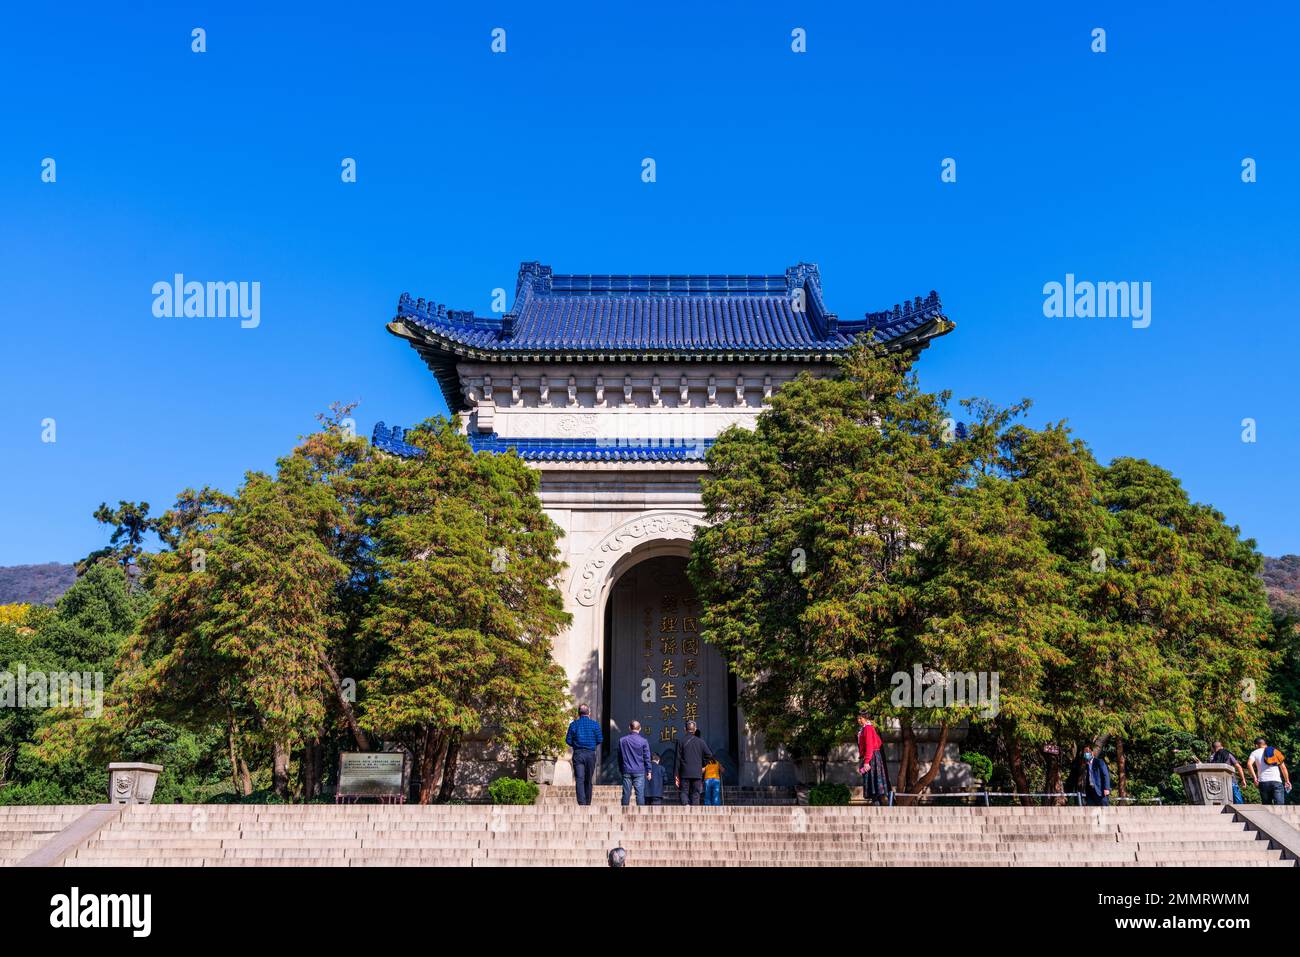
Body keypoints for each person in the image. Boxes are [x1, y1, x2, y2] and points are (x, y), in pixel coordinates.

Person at [565, 704, 603, 806]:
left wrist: (576, 745)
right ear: (589, 713)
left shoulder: (573, 725)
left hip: (578, 754)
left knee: (579, 779)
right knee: (588, 779)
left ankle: (581, 803)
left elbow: (568, 740)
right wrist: (591, 744)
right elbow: (600, 739)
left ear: (578, 713)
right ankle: (588, 802)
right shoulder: (595, 725)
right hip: (590, 754)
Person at [675, 720, 715, 806]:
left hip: (685, 772)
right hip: (697, 772)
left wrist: (676, 774)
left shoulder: (680, 741)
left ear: (685, 729)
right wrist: (702, 764)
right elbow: (709, 755)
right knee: (696, 793)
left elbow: (677, 759)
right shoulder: (701, 742)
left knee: (684, 791)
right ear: (695, 729)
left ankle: (686, 805)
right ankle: (695, 809)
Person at [856, 714, 890, 806]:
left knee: (874, 782)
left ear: (865, 718)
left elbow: (869, 745)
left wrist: (867, 761)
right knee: (873, 783)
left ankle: (877, 804)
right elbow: (878, 742)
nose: (859, 720)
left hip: (872, 757)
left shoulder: (868, 728)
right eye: (858, 718)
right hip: (871, 756)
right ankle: (877, 803)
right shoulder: (865, 728)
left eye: (860, 718)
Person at [618, 720, 653, 806]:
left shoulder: (622, 740)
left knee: (626, 794)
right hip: (639, 770)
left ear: (629, 728)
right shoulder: (643, 741)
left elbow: (619, 757)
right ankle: (640, 812)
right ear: (640, 729)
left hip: (626, 770)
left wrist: (621, 769)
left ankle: (624, 811)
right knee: (640, 795)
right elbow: (647, 757)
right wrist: (649, 771)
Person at [1249, 736, 1292, 805]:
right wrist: (1287, 781)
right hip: (1276, 781)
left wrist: (1255, 778)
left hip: (1263, 782)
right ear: (1265, 744)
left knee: (1267, 806)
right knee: (1280, 806)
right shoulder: (1275, 751)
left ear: (1256, 745)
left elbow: (1249, 764)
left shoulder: (1254, 753)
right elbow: (1283, 768)